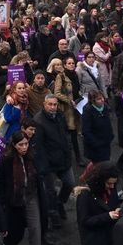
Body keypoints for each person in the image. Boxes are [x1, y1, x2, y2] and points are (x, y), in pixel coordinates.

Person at [0, 131, 47, 245]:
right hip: (15, 202)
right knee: (15, 234)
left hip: (31, 198)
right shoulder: (7, 160)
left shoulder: (32, 156)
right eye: (21, 145)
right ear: (14, 145)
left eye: (26, 144)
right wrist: (3, 202)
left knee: (35, 230)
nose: (24, 147)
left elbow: (38, 175)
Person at [34, 94, 74, 226]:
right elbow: (38, 147)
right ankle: (53, 215)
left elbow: (65, 134)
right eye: (50, 104)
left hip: (63, 158)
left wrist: (68, 151)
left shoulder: (60, 116)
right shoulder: (38, 121)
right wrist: (43, 166)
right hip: (49, 163)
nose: (52, 107)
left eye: (55, 104)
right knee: (50, 191)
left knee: (69, 183)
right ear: (44, 105)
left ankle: (60, 202)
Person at [75, 162, 121, 245]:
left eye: (114, 183)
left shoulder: (111, 188)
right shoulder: (85, 196)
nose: (112, 186)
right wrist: (108, 216)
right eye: (109, 183)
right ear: (100, 181)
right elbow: (84, 221)